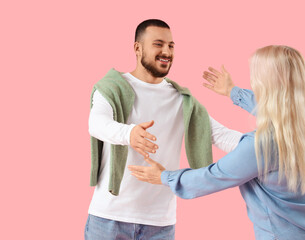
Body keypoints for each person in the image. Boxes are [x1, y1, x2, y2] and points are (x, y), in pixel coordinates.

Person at [129, 45, 305, 239]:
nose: (252, 81)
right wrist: (234, 92)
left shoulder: (261, 146)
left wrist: (164, 177)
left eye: (255, 76)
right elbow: (281, 109)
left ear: (266, 84)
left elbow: (212, 176)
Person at [85, 19, 243, 240]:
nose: (166, 52)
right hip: (108, 220)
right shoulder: (111, 88)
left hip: (159, 225)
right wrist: (129, 134)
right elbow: (97, 124)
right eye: (158, 44)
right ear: (137, 48)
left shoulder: (182, 100)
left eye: (171, 46)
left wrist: (270, 144)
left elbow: (221, 135)